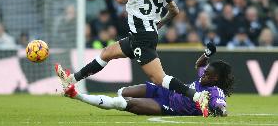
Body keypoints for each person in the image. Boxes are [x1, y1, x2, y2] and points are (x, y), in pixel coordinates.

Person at [55, 0, 214, 115]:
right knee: (107, 53)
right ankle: (71, 80)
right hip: (142, 35)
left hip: (141, 38)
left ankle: (197, 96)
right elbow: (174, 10)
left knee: (159, 78)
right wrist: (158, 24)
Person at [63, 45, 234, 117]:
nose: (202, 75)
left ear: (215, 78)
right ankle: (117, 100)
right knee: (122, 92)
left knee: (121, 103)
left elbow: (221, 106)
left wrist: (219, 111)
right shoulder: (206, 77)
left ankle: (77, 95)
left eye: (206, 74)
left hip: (169, 108)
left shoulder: (215, 91)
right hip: (165, 92)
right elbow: (199, 64)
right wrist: (207, 54)